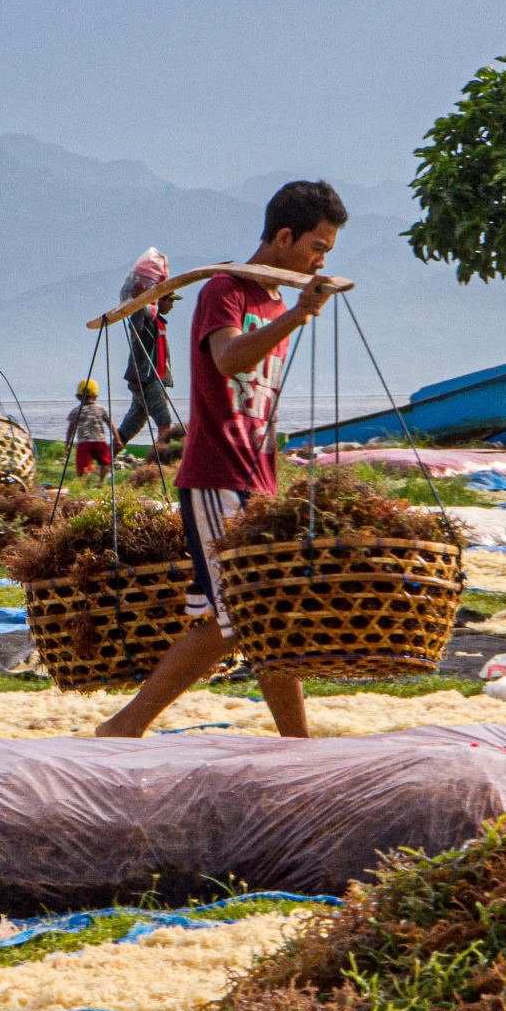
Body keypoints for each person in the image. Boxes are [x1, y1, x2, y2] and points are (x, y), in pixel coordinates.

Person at [97, 181, 347, 740]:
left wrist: (274, 477)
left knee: (258, 616)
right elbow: (231, 358)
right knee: (239, 618)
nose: (321, 260)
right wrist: (298, 317)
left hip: (255, 474)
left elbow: (264, 400)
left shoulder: (278, 301)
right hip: (217, 473)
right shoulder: (226, 291)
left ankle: (294, 742)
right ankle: (126, 725)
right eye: (317, 246)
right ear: (284, 237)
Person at [114, 249, 182, 452]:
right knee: (164, 421)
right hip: (146, 378)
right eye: (170, 300)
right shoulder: (146, 321)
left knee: (133, 424)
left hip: (152, 379)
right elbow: (135, 328)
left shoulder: (159, 322)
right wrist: (138, 304)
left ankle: (106, 458)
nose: (172, 305)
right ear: (159, 299)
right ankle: (160, 460)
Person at [66, 379, 115, 476]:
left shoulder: (76, 411)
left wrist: (67, 443)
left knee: (82, 466)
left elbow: (70, 429)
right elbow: (110, 424)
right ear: (95, 397)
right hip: (99, 441)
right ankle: (100, 482)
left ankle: (85, 481)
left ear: (78, 397)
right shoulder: (101, 409)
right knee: (105, 463)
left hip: (84, 443)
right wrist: (117, 439)